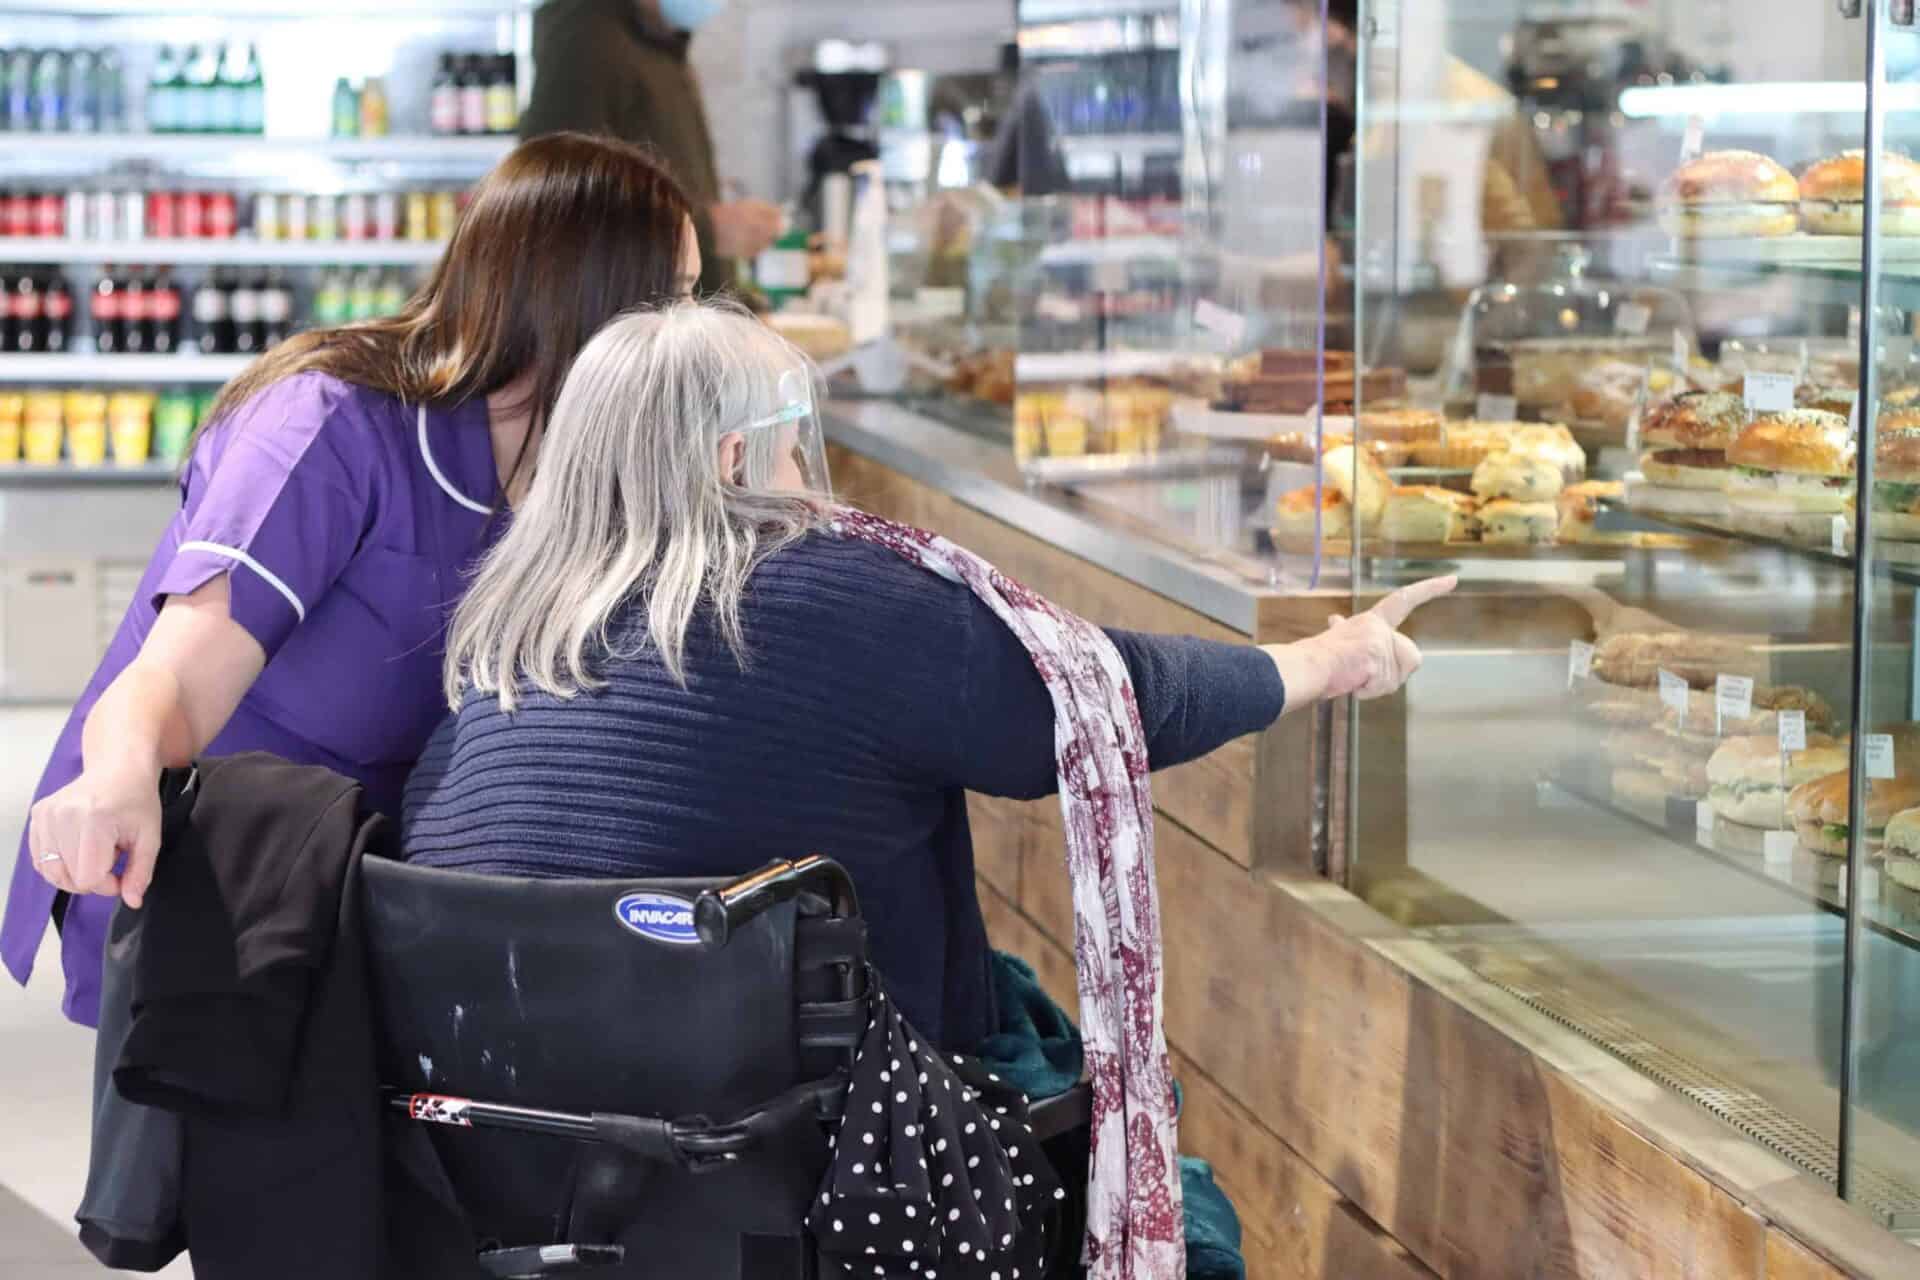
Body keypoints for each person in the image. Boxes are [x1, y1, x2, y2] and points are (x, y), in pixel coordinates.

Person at [403, 300, 1453, 1050]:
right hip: (815, 1172)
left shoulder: (498, 639)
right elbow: (1097, 695)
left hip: (519, 1179)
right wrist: (1328, 657)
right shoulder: (829, 597)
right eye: (794, 442)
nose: (812, 474)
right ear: (734, 463)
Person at [6, 132, 703, 1026]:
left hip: (373, 878)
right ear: (594, 300)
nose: (697, 330)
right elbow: (172, 677)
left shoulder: (583, 461)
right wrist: (119, 775)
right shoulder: (330, 425)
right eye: (677, 298)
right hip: (216, 874)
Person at [520, 0, 783, 296]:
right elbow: (557, 197)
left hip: (680, 318)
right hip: (628, 327)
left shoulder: (658, 41)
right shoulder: (585, 34)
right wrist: (710, 230)